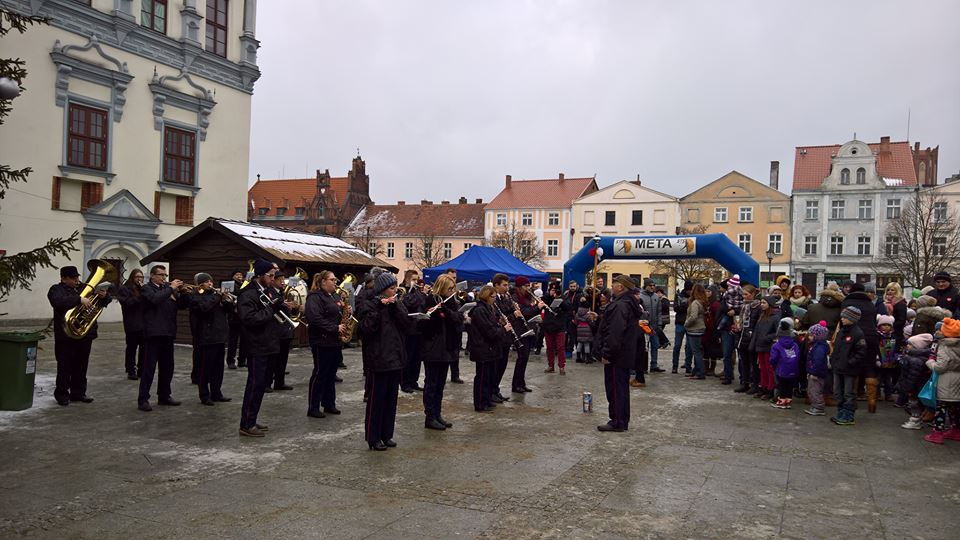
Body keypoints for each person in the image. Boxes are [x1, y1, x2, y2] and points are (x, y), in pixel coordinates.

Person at [360, 272, 411, 450]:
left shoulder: (397, 304)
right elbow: (366, 329)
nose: (395, 290)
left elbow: (406, 323)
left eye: (395, 287)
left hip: (396, 358)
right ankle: (373, 438)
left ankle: (386, 434)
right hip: (378, 359)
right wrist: (380, 308)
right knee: (377, 400)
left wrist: (395, 305)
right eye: (391, 288)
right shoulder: (369, 305)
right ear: (382, 290)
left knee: (391, 400)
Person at [237, 260, 287, 437]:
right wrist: (272, 309)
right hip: (256, 344)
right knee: (254, 385)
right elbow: (250, 319)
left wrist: (282, 306)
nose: (274, 279)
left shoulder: (267, 291)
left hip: (269, 343)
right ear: (260, 275)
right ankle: (246, 424)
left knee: (261, 386)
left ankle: (251, 419)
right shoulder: (248, 294)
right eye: (271, 276)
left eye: (274, 276)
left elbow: (275, 308)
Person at [47, 265, 110, 405]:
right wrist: (79, 299)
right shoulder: (56, 289)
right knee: (64, 366)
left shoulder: (84, 287)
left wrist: (104, 296)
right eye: (73, 278)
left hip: (85, 334)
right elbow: (58, 303)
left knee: (81, 365)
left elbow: (104, 303)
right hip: (65, 335)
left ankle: (78, 393)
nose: (77, 280)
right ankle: (62, 394)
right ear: (63, 278)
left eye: (77, 277)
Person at [138, 265, 188, 412]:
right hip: (153, 333)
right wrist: (171, 288)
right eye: (161, 275)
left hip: (168, 332)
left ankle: (164, 395)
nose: (164, 278)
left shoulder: (167, 289)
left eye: (165, 275)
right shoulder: (147, 289)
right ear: (152, 276)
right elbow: (154, 300)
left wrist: (183, 294)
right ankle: (143, 399)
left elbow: (182, 306)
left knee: (167, 368)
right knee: (149, 368)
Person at [598, 275, 640, 432]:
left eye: (614, 284)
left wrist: (607, 353)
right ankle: (621, 419)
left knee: (615, 389)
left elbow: (615, 332)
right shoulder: (627, 303)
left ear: (621, 287)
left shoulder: (621, 305)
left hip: (617, 356)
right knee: (621, 388)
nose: (612, 286)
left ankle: (617, 421)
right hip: (623, 354)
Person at [421, 275, 462, 430]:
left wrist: (446, 310)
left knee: (440, 384)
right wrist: (431, 314)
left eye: (453, 288)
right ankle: (429, 416)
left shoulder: (451, 302)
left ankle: (437, 414)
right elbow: (424, 324)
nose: (453, 291)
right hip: (433, 347)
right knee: (431, 383)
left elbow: (457, 318)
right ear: (442, 287)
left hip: (447, 347)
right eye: (450, 288)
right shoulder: (431, 300)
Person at [304, 271, 346, 419]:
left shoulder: (334, 296)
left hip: (334, 341)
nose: (336, 282)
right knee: (320, 373)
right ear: (322, 282)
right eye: (332, 280)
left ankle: (329, 403)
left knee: (331, 373)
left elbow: (337, 312)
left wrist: (345, 310)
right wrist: (334, 328)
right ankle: (313, 407)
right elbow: (314, 318)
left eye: (335, 279)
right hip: (321, 341)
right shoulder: (314, 297)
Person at [188, 273, 233, 405]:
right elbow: (204, 309)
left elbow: (228, 310)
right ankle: (204, 395)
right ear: (200, 284)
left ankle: (216, 393)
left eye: (211, 281)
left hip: (219, 336)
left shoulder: (216, 296)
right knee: (205, 368)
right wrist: (217, 297)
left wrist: (227, 301)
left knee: (218, 368)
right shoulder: (196, 296)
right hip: (206, 337)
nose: (210, 284)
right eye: (207, 282)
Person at [468, 285, 510, 412]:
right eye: (493, 297)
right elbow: (488, 331)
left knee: (489, 376)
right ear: (486, 296)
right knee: (482, 378)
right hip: (482, 348)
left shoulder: (489, 308)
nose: (494, 299)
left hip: (490, 348)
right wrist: (503, 329)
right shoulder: (480, 310)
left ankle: (486, 399)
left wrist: (501, 323)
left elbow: (492, 326)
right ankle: (480, 403)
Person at [842, 282, 880, 412]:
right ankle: (872, 402)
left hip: (854, 336)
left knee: (853, 368)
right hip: (871, 336)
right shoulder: (870, 304)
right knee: (870, 367)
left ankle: (852, 401)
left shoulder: (847, 303)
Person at [924, 318, 960, 444]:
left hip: (946, 380)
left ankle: (937, 433)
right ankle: (956, 430)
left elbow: (941, 367)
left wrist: (930, 362)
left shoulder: (945, 346)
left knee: (941, 407)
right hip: (957, 380)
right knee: (954, 407)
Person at [830, 306, 867, 426]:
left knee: (848, 393)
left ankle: (848, 415)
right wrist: (833, 360)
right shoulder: (841, 331)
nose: (842, 319)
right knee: (837, 391)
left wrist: (850, 362)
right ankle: (840, 411)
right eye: (842, 316)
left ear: (852, 318)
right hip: (838, 367)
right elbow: (836, 349)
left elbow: (861, 352)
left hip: (849, 369)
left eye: (845, 317)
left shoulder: (857, 333)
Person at [267, 272, 296, 392]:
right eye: (280, 280)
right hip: (275, 330)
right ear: (273, 281)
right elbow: (272, 306)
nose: (283, 282)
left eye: (284, 280)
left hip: (284, 329)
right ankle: (267, 383)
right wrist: (284, 304)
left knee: (283, 359)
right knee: (272, 359)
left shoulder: (282, 293)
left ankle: (280, 382)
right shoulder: (270, 292)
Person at [898, 333, 933, 430]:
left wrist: (908, 388)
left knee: (914, 405)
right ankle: (916, 420)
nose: (907, 346)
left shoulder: (915, 360)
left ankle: (915, 421)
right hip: (915, 386)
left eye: (910, 344)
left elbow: (912, 376)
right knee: (915, 404)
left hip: (915, 387)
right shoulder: (914, 357)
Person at [511, 276, 540, 393]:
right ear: (520, 287)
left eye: (529, 286)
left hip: (528, 329)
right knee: (521, 358)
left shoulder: (527, 297)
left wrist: (537, 309)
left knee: (525, 358)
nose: (528, 288)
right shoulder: (515, 297)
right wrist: (537, 308)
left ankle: (521, 383)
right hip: (519, 330)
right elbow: (524, 312)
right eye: (526, 286)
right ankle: (516, 384)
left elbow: (529, 311)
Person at [116, 268, 146, 380]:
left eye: (141, 277)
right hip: (132, 323)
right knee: (131, 348)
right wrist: (140, 295)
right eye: (137, 277)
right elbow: (127, 303)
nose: (139, 279)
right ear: (132, 277)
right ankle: (130, 370)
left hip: (143, 323)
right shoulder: (125, 289)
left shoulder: (143, 289)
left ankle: (141, 369)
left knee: (144, 348)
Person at [749, 296, 780, 400]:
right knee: (762, 369)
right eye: (761, 303)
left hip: (768, 347)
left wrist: (767, 338)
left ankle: (770, 389)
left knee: (769, 369)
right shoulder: (762, 316)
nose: (762, 305)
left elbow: (777, 333)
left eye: (764, 303)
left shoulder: (775, 317)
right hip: (760, 346)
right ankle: (763, 387)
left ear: (769, 304)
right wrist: (753, 344)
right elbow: (756, 331)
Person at [491, 273, 515, 403]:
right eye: (504, 285)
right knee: (497, 365)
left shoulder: (505, 298)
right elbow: (501, 316)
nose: (507, 288)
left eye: (507, 285)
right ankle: (492, 391)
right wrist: (513, 313)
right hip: (499, 336)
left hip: (506, 336)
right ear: (496, 285)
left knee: (502, 365)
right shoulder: (494, 299)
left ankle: (496, 389)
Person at [401, 273, 427, 392]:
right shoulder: (403, 291)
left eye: (417, 279)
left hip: (419, 328)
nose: (416, 282)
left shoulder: (417, 292)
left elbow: (423, 304)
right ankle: (405, 382)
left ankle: (414, 381)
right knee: (408, 357)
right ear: (407, 279)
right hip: (408, 329)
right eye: (413, 279)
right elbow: (408, 304)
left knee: (417, 358)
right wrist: (418, 295)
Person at [734, 284, 760, 393]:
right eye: (743, 294)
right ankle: (745, 382)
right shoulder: (743, 306)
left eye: (746, 294)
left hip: (751, 336)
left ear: (753, 294)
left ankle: (754, 384)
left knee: (753, 363)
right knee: (743, 361)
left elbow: (757, 324)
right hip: (742, 335)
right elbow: (740, 318)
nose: (744, 296)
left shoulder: (757, 307)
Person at [769, 318, 800, 409]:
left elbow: (773, 358)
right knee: (789, 386)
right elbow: (798, 355)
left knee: (782, 385)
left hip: (781, 369)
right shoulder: (795, 344)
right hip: (793, 369)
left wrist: (773, 363)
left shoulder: (776, 345)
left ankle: (782, 402)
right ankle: (788, 401)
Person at [542, 281, 570, 374]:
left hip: (560, 326)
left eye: (555, 290)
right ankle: (551, 366)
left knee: (561, 347)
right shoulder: (546, 298)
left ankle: (562, 367)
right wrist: (549, 296)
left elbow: (567, 308)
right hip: (548, 326)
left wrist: (559, 299)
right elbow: (540, 304)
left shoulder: (563, 297)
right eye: (552, 289)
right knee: (549, 347)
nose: (554, 291)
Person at [804, 321, 830, 416]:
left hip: (816, 374)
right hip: (814, 372)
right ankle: (815, 405)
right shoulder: (817, 346)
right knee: (812, 390)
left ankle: (818, 407)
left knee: (815, 390)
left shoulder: (819, 348)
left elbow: (818, 361)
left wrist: (814, 372)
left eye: (811, 335)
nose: (809, 337)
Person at [637, 279, 664, 372]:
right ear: (646, 286)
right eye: (650, 285)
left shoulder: (656, 297)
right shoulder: (640, 296)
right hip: (644, 326)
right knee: (644, 347)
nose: (652, 287)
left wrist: (659, 325)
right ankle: (642, 365)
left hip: (654, 326)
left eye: (653, 285)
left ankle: (654, 364)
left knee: (655, 345)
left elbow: (659, 312)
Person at [684, 283, 708, 380]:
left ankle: (700, 373)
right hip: (700, 328)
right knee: (698, 351)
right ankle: (696, 371)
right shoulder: (701, 302)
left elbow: (693, 316)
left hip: (694, 329)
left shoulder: (695, 303)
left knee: (696, 352)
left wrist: (686, 324)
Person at [226, 270, 246, 369]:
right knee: (233, 340)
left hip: (243, 316)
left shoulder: (244, 284)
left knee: (244, 340)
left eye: (240, 275)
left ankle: (242, 360)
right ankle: (230, 361)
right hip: (234, 316)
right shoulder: (231, 285)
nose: (239, 276)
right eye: (237, 275)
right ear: (233, 276)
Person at [702, 285, 723, 378]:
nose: (707, 293)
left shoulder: (715, 304)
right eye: (706, 291)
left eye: (709, 292)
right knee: (705, 350)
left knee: (712, 350)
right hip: (705, 329)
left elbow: (717, 317)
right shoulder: (705, 303)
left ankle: (712, 368)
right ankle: (706, 368)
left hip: (713, 329)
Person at [672, 281, 692, 374]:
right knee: (677, 345)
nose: (690, 292)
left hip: (690, 323)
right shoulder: (679, 296)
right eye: (689, 290)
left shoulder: (694, 297)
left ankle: (688, 365)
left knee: (689, 346)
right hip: (680, 322)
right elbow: (676, 308)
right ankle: (674, 366)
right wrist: (686, 305)